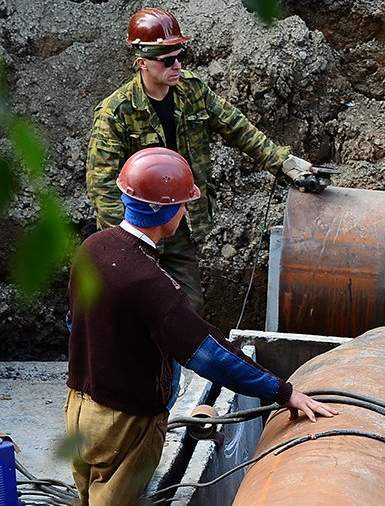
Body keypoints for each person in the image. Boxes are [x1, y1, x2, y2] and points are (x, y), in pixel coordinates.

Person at [66, 147, 337, 505]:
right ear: (165, 211)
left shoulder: (92, 247)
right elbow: (210, 355)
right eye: (182, 205)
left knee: (86, 495)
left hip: (79, 410)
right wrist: (283, 392)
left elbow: (74, 322)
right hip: (124, 422)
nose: (184, 212)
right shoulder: (150, 283)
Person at [86, 7, 320, 309]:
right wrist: (125, 241)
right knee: (130, 309)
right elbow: (101, 184)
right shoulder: (116, 112)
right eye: (167, 60)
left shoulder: (192, 91)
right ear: (142, 63)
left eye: (180, 56)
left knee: (187, 306)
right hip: (135, 227)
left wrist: (283, 164)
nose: (177, 65)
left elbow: (236, 127)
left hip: (176, 224)